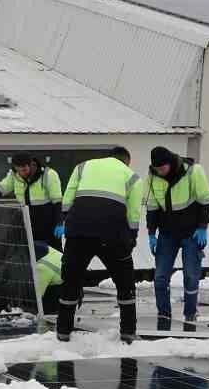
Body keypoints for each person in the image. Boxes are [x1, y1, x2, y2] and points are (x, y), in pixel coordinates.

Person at [55, 146, 144, 343]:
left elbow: (68, 196)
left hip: (79, 232)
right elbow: (133, 213)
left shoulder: (82, 166)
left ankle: (63, 331)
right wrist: (132, 238)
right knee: (125, 283)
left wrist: (66, 221)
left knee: (71, 280)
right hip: (113, 234)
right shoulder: (132, 177)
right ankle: (128, 332)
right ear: (126, 161)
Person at [145, 146, 209, 332]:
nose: (160, 172)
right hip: (167, 234)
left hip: (192, 233)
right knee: (160, 277)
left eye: (162, 168)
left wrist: (202, 228)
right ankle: (164, 314)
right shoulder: (153, 176)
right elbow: (152, 207)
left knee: (191, 276)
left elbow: (206, 200)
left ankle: (190, 313)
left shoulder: (193, 171)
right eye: (157, 169)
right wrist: (151, 233)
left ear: (170, 162)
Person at [0, 153, 65, 249]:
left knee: (53, 256)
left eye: (24, 170)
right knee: (31, 256)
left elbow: (57, 201)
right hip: (28, 224)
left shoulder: (48, 175)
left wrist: (60, 223)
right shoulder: (14, 175)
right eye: (19, 170)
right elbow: (1, 189)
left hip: (49, 225)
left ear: (31, 164)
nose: (22, 173)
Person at [33, 241, 63, 314]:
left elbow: (38, 295)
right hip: (75, 287)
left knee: (40, 306)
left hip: (67, 295)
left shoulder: (42, 267)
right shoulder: (46, 250)